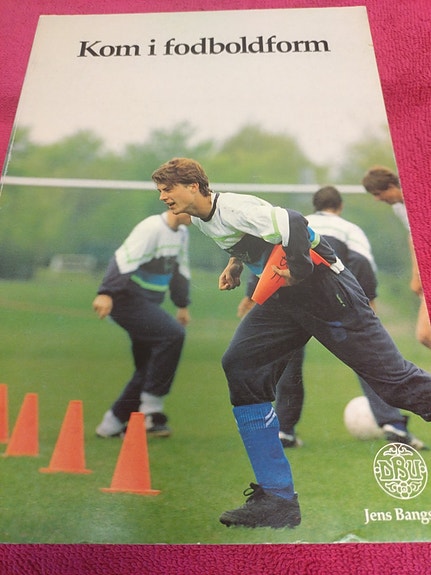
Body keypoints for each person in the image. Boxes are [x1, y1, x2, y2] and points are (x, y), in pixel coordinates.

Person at [152, 157, 431, 530]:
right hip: (286, 299)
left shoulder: (232, 207)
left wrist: (298, 269)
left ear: (192, 186)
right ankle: (277, 499)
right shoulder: (204, 218)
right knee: (241, 366)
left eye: (167, 189)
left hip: (328, 292)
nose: (162, 197)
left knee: (395, 385)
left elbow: (294, 222)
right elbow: (251, 240)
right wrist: (236, 265)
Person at [238, 186, 426, 450]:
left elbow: (268, 263)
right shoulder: (350, 229)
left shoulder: (293, 225)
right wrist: (368, 302)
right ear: (340, 206)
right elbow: (361, 264)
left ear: (314, 206)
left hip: (292, 304)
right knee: (367, 360)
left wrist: (251, 295)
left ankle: (285, 430)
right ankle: (392, 423)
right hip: (332, 304)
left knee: (289, 365)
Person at [93, 209, 191, 438]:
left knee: (149, 365)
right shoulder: (152, 228)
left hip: (148, 303)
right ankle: (151, 412)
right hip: (126, 299)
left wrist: (182, 305)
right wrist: (106, 292)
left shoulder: (182, 234)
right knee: (172, 335)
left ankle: (111, 424)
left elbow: (180, 270)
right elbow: (122, 259)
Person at [362, 166, 431, 349]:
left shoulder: (419, 197)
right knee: (425, 335)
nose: (377, 199)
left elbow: (419, 239)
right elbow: (413, 238)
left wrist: (417, 276)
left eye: (378, 194)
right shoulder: (400, 208)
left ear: (391, 186)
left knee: (425, 334)